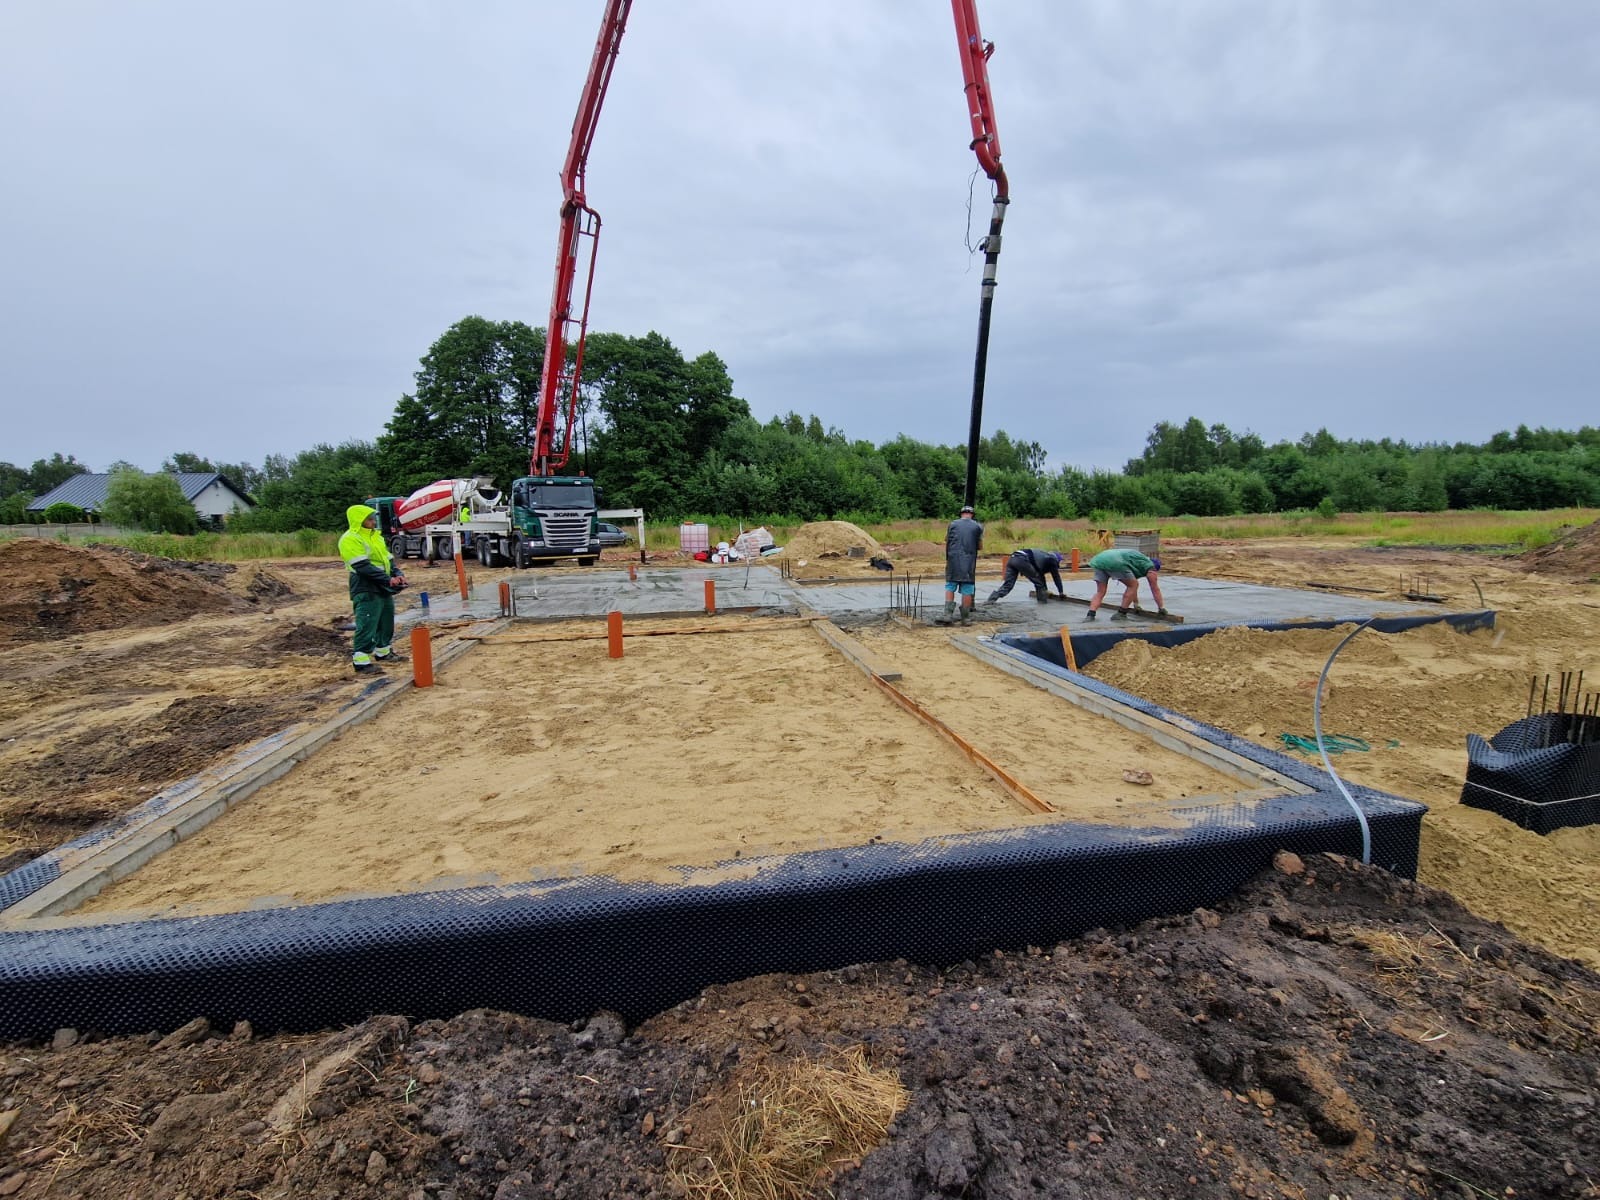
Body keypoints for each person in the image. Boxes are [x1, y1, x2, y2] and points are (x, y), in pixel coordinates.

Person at [339, 503, 407, 673]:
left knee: (385, 619)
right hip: (365, 585)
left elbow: (388, 559)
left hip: (382, 583)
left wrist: (397, 574)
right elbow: (362, 566)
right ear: (359, 520)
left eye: (373, 518)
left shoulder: (376, 536)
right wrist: (388, 579)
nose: (373, 521)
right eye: (369, 519)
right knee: (367, 621)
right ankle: (361, 661)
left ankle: (383, 652)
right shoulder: (350, 539)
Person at [1084, 549, 1165, 621]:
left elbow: (1133, 588)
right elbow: (1155, 589)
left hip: (1100, 559)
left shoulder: (1138, 560)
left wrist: (1136, 604)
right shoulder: (1150, 566)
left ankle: (1090, 615)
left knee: (1100, 592)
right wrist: (1161, 608)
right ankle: (1121, 613)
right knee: (1133, 585)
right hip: (1115, 561)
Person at [941, 503, 984, 625]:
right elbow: (980, 546)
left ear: (961, 514)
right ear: (972, 515)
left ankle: (948, 615)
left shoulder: (952, 524)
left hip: (953, 560)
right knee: (967, 589)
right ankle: (965, 618)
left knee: (950, 586)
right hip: (969, 562)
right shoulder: (978, 526)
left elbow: (947, 540)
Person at [986, 548, 1066, 604]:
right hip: (1022, 559)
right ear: (1057, 559)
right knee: (1039, 584)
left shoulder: (1044, 558)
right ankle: (1042, 604)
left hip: (1013, 558)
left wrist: (1045, 590)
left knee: (1008, 585)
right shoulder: (1052, 560)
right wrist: (1061, 592)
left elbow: (1041, 576)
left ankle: (991, 600)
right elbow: (1056, 577)